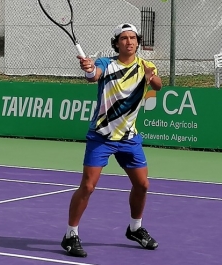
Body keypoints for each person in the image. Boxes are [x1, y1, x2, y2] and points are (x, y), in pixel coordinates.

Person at [60, 23, 163, 258]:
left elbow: (157, 86)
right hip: (102, 136)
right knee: (87, 186)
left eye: (133, 38)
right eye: (124, 38)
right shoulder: (106, 64)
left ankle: (135, 229)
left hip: (129, 138)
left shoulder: (146, 66)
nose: (129, 42)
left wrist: (151, 77)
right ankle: (70, 234)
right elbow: (92, 75)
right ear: (116, 43)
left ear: (137, 42)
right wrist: (87, 68)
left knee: (142, 185)